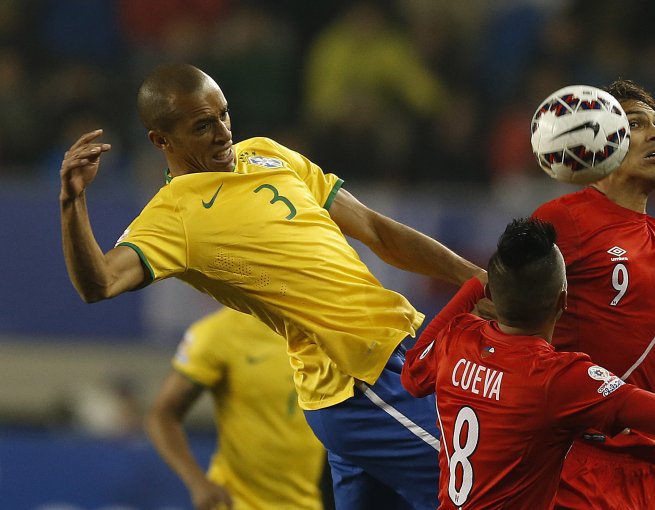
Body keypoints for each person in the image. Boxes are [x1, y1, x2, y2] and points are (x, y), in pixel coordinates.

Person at [58, 63, 485, 510]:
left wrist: (472, 276)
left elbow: (376, 230)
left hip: (401, 352)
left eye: (224, 115)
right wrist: (73, 201)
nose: (223, 132)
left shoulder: (267, 153)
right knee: (480, 492)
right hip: (362, 380)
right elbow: (100, 283)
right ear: (161, 141)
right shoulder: (172, 218)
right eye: (203, 126)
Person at [400, 217, 655, 510]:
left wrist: (470, 289)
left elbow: (412, 375)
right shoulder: (560, 379)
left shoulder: (458, 339)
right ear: (564, 301)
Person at [530, 79, 655, 509]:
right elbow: (504, 314)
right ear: (601, 139)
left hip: (643, 469)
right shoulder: (562, 220)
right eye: (637, 124)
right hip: (570, 457)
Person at [145, 307, 328, 510]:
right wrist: (197, 482)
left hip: (313, 503)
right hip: (239, 502)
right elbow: (162, 415)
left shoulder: (327, 330)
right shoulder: (218, 333)